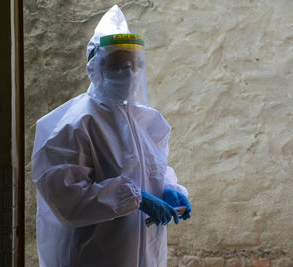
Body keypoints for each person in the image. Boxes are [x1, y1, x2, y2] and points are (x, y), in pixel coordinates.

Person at [31, 5, 191, 267]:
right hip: (95, 253)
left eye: (134, 65)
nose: (128, 73)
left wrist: (168, 189)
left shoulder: (147, 121)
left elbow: (153, 170)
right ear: (95, 68)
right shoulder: (77, 123)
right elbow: (67, 199)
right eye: (118, 65)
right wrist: (135, 198)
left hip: (145, 250)